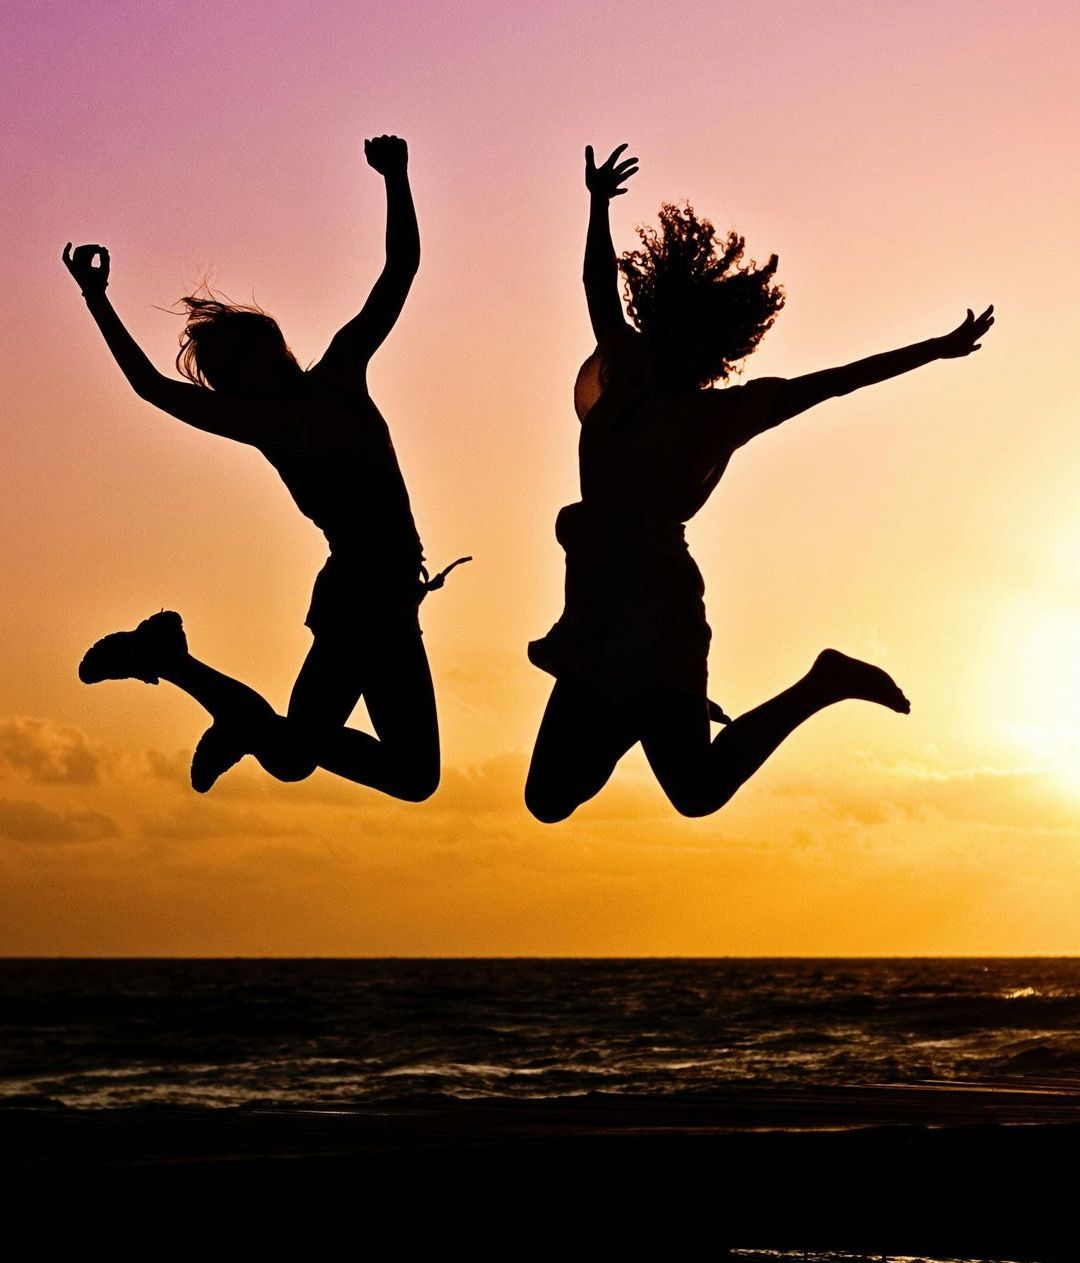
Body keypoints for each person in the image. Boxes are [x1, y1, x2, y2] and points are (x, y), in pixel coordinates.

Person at [525, 143, 994, 823]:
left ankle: (821, 682)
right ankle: (643, 708)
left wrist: (935, 349)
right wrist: (596, 204)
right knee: (548, 797)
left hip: (656, 613)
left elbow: (835, 383)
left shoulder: (716, 412)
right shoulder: (627, 368)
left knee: (695, 790)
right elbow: (598, 286)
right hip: (597, 610)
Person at [65, 134, 466, 799]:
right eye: (221, 379)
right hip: (367, 594)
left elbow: (401, 271)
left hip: (379, 591)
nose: (225, 385)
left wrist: (396, 178)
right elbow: (149, 386)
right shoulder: (269, 418)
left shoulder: (334, 376)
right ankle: (189, 674)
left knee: (316, 757)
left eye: (230, 369)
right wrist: (95, 299)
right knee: (352, 764)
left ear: (269, 349)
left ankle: (187, 672)